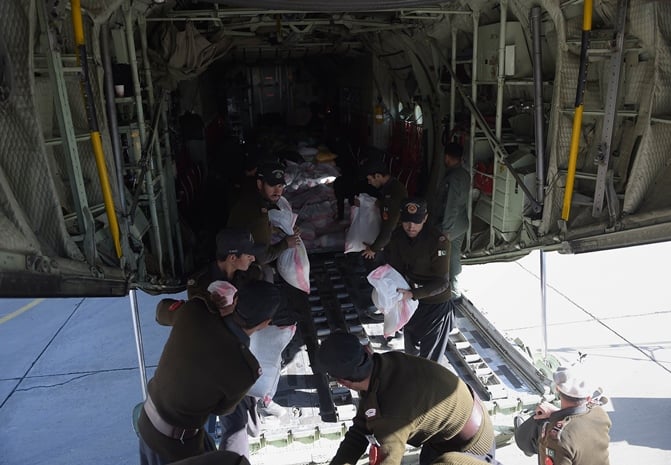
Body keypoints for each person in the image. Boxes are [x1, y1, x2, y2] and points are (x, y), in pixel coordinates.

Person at [137, 280, 283, 465]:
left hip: (148, 420)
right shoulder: (245, 370)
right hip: (175, 447)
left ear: (235, 299)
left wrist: (207, 301)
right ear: (264, 324)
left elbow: (161, 312)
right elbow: (221, 409)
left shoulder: (195, 311)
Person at [317, 331, 500, 465]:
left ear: (343, 382)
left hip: (470, 448)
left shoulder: (391, 416)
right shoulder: (385, 364)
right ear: (367, 350)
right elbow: (361, 430)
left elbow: (388, 461)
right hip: (451, 430)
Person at [383, 198, 453, 362]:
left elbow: (442, 283)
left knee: (430, 359)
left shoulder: (438, 241)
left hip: (435, 303)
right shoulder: (398, 236)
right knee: (411, 350)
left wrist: (413, 293)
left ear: (425, 218)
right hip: (411, 302)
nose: (411, 226)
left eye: (416, 221)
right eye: (407, 221)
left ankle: (430, 385)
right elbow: (395, 267)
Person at [514, 365, 611, 465]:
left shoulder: (558, 437)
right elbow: (579, 416)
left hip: (557, 446)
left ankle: (529, 445)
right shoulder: (600, 414)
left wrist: (554, 419)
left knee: (540, 428)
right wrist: (556, 414)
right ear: (589, 398)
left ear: (557, 389)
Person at [434, 142, 470, 299]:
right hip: (462, 223)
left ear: (447, 157)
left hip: (451, 226)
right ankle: (454, 289)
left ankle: (440, 288)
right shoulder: (464, 174)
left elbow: (451, 205)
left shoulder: (452, 177)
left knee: (440, 254)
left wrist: (446, 229)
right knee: (454, 255)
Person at [360, 158, 408, 267]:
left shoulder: (392, 194)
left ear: (377, 176)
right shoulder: (392, 187)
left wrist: (373, 249)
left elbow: (388, 228)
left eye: (369, 179)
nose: (369, 182)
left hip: (395, 241)